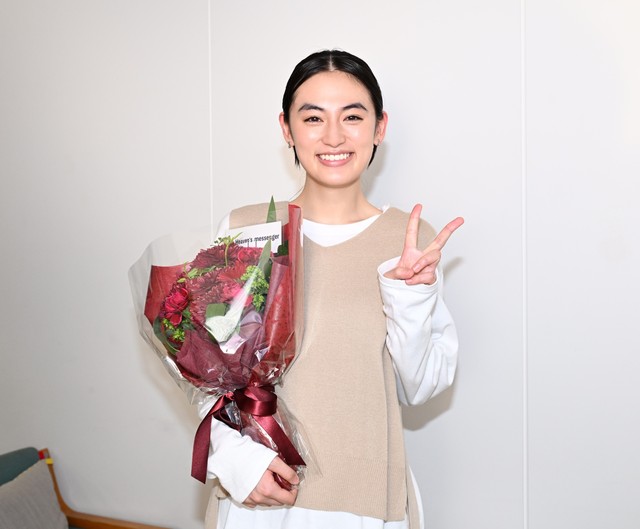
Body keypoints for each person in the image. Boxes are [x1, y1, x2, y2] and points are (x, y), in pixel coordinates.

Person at [198, 49, 464, 529]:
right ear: (287, 128)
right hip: (260, 498)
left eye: (353, 117)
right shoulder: (246, 230)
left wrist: (410, 296)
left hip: (365, 502)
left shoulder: (409, 241)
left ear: (380, 127)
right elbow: (206, 377)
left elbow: (420, 386)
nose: (334, 136)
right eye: (313, 117)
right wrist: (238, 463)